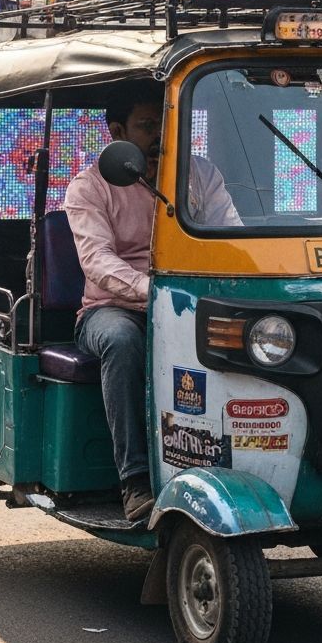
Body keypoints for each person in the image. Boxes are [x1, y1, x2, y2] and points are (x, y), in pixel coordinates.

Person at [63, 81, 240, 521]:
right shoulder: (89, 188)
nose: (161, 134)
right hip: (111, 310)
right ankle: (136, 481)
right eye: (147, 126)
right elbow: (98, 261)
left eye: (168, 122)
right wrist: (155, 293)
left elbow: (231, 234)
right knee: (123, 342)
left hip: (190, 303)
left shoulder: (201, 174)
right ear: (118, 132)